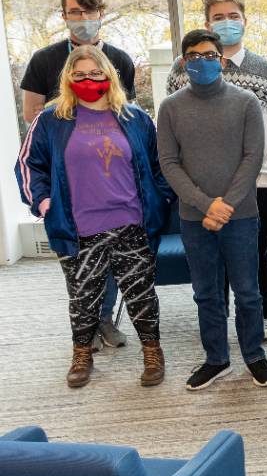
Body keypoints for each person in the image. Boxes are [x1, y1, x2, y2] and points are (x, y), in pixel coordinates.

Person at [16, 45, 170, 388]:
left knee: (141, 294)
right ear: (68, 78)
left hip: (132, 224)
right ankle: (82, 354)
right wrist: (43, 203)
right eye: (80, 74)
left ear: (109, 76)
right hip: (79, 228)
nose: (88, 80)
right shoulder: (51, 120)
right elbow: (29, 166)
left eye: (96, 73)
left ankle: (152, 352)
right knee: (83, 298)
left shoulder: (135, 118)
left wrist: (162, 199)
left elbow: (160, 165)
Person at [20, 0, 139, 347]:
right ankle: (85, 325)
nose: (83, 20)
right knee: (77, 260)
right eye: (75, 12)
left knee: (114, 256)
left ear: (101, 13)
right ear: (64, 16)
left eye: (89, 12)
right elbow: (30, 113)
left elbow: (125, 118)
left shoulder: (120, 59)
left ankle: (104, 319)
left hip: (109, 178)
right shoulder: (43, 60)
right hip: (66, 178)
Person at [157, 29, 267, 390]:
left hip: (241, 214)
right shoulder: (171, 107)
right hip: (195, 217)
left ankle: (254, 355)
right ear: (183, 62)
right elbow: (169, 162)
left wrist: (225, 205)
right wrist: (207, 205)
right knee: (206, 292)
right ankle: (216, 358)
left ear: (222, 60)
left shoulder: (246, 102)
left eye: (209, 55)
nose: (202, 62)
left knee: (248, 291)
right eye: (194, 56)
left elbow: (253, 157)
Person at [167, 0, 267, 341]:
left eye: (233, 15)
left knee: (255, 252)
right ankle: (219, 321)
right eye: (219, 17)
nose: (227, 21)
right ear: (207, 23)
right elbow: (174, 127)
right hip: (201, 186)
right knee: (212, 261)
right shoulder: (181, 68)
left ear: (244, 20)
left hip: (256, 181)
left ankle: (263, 313)